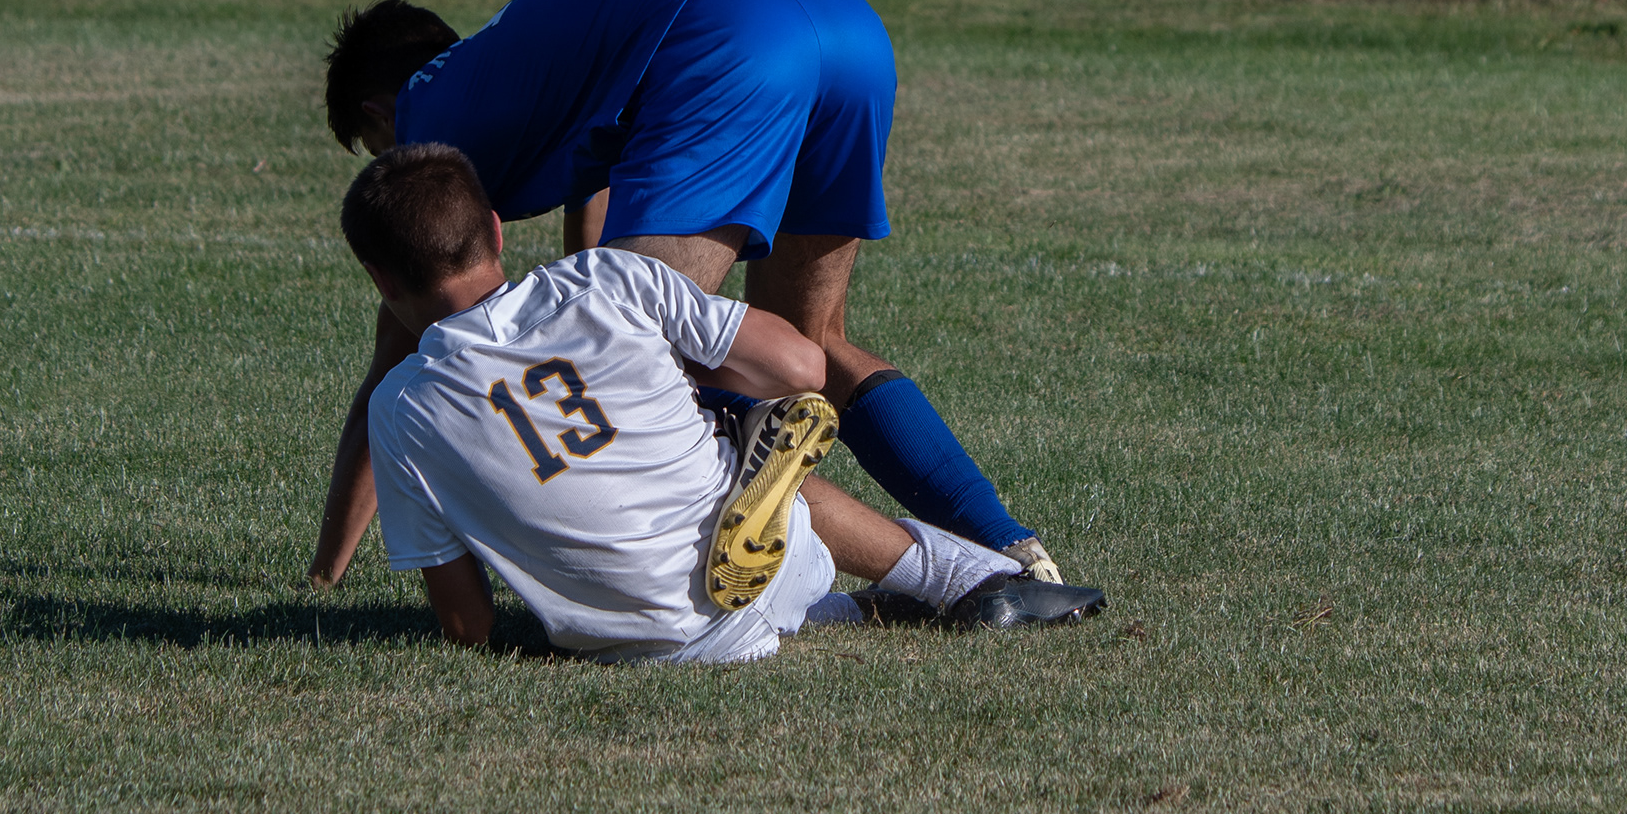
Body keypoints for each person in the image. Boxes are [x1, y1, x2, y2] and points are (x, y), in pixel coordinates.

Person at [310, 0, 1059, 592]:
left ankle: (799, 474)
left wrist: (325, 572)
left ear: (379, 111)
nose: (398, 165)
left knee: (648, 368)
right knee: (810, 342)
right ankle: (1008, 547)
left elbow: (404, 350)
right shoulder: (520, 60)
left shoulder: (430, 116)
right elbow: (596, 210)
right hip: (843, 20)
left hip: (732, 42)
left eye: (380, 149)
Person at [340, 144, 1104, 662]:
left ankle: (856, 606)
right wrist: (692, 390)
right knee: (756, 460)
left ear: (380, 279)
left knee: (726, 538)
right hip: (764, 564)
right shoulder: (604, 279)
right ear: (495, 231)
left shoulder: (399, 410)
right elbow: (803, 366)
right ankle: (973, 581)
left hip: (632, 647)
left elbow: (467, 624)